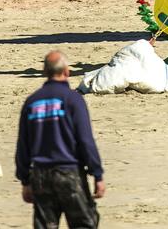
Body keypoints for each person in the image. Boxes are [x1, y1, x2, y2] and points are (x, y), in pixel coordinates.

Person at [16, 51, 104, 229]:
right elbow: (85, 139)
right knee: (84, 224)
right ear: (66, 71)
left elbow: (23, 145)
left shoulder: (32, 101)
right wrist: (97, 173)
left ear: (45, 72)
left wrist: (25, 179)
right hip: (69, 173)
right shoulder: (72, 99)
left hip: (41, 175)